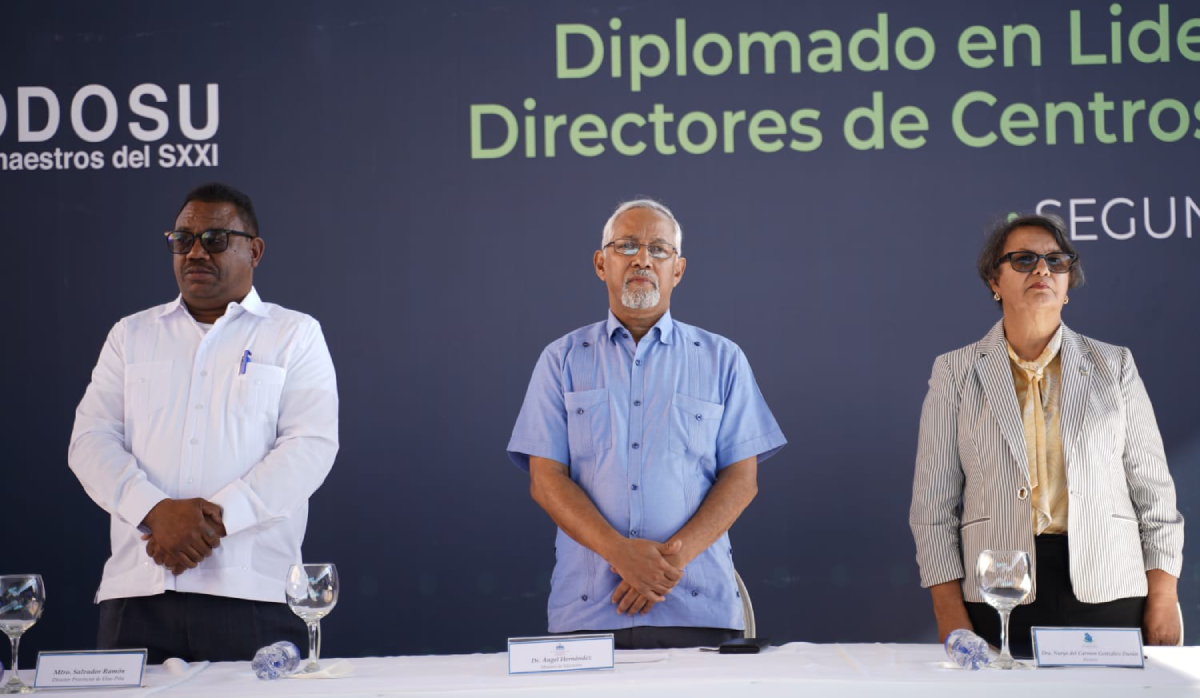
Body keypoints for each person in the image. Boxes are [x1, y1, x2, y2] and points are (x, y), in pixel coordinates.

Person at [68, 182, 339, 663]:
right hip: (139, 589)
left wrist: (212, 523)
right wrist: (156, 513)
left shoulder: (294, 334)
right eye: (182, 239)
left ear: (254, 251)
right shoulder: (131, 335)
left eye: (215, 239)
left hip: (253, 590)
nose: (195, 252)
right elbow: (91, 440)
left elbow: (310, 446)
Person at [507, 199, 786, 649]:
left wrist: (663, 569)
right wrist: (620, 554)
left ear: (677, 270)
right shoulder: (561, 360)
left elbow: (742, 479)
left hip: (698, 608)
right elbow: (546, 480)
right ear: (602, 263)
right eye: (627, 246)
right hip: (588, 611)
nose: (642, 259)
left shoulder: (722, 359)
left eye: (658, 249)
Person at [909, 214, 1183, 658]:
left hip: (1110, 589)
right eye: (1024, 260)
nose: (1042, 270)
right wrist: (949, 613)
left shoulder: (1114, 365)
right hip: (999, 596)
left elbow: (1154, 494)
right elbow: (932, 506)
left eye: (1056, 261)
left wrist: (1164, 596)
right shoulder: (956, 372)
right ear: (993, 281)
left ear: (1068, 282)